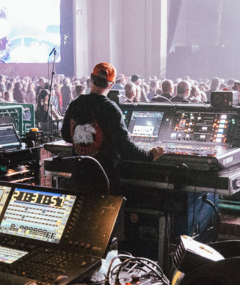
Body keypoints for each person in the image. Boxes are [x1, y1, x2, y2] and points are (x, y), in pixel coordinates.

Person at [61, 62, 165, 194]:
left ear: (91, 79)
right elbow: (124, 145)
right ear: (111, 84)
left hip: (79, 178)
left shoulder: (75, 104)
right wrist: (149, 155)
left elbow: (65, 134)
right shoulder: (111, 109)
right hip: (104, 181)